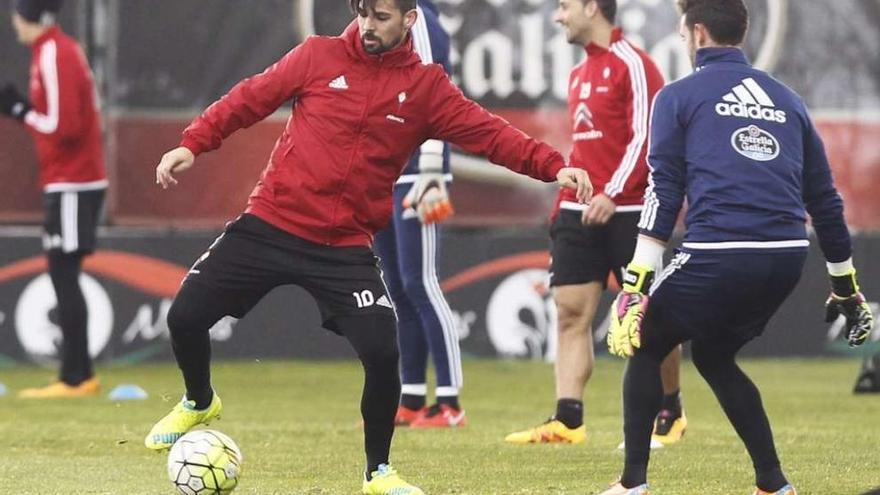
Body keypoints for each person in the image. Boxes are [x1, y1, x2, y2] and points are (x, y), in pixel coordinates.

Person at [144, 1, 591, 493]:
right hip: (272, 221)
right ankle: (199, 400)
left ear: (409, 19)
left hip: (344, 246)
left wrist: (553, 166)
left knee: (382, 354)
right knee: (184, 317)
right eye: (362, 13)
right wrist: (193, 142)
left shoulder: (426, 88)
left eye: (381, 16)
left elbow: (491, 136)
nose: (367, 25)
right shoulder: (317, 56)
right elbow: (249, 98)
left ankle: (377, 473)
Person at [602, 1, 875, 494]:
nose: (684, 41)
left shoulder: (677, 96)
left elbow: (663, 189)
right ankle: (773, 484)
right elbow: (826, 202)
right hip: (786, 257)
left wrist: (635, 284)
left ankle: (631, 486)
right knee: (713, 356)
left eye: (684, 32)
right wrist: (847, 289)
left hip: (720, 252)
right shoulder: (787, 100)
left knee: (644, 343)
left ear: (698, 33)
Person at [505, 0, 685, 447]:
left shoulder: (635, 65)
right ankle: (568, 419)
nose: (558, 16)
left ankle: (671, 410)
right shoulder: (578, 73)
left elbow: (647, 136)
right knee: (569, 312)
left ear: (592, 7)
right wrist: (578, 197)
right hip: (578, 209)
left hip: (628, 210)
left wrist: (614, 191)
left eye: (564, 6)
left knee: (649, 316)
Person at [1, 0, 107, 399]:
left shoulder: (53, 53)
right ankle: (76, 375)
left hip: (72, 182)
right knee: (63, 274)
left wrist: (19, 111)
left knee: (64, 274)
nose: (13, 22)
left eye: (16, 13)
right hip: (69, 181)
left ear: (29, 17)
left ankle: (76, 378)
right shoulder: (57, 50)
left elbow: (64, 127)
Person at [372, 0, 466, 429]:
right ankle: (410, 398)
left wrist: (432, 170)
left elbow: (433, 87)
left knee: (421, 282)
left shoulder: (419, 18)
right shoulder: (382, 15)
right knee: (397, 286)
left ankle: (449, 401)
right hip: (388, 171)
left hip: (417, 174)